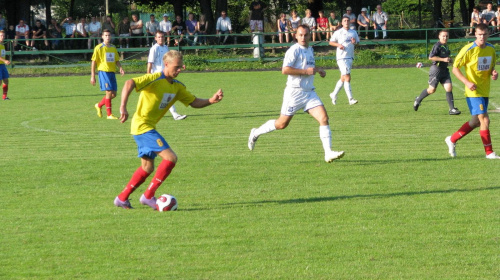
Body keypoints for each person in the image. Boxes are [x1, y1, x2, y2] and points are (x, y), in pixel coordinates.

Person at [114, 50, 224, 209]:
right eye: (177, 67)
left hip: (146, 127)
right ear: (166, 64)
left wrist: (211, 100)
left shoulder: (178, 87)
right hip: (142, 126)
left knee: (147, 167)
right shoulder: (155, 78)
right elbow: (129, 83)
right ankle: (148, 196)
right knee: (170, 158)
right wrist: (123, 107)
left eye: (181, 67)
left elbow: (193, 102)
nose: (180, 70)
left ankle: (122, 198)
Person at [247, 25, 345, 163]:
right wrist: (306, 72)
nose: (303, 38)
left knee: (324, 118)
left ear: (310, 35)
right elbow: (285, 70)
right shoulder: (293, 50)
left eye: (306, 35)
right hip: (294, 93)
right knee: (281, 124)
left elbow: (307, 67)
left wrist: (318, 70)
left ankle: (328, 153)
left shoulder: (310, 49)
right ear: (296, 36)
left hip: (309, 93)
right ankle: (255, 133)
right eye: (300, 35)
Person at [445, 23, 500, 159]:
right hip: (473, 92)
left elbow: (491, 67)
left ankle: (452, 139)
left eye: (484, 34)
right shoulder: (468, 49)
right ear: (475, 34)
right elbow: (455, 68)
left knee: (476, 122)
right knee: (485, 120)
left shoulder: (491, 49)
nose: (482, 37)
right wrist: (467, 82)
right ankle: (489, 152)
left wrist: (494, 73)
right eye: (479, 34)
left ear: (488, 34)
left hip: (484, 90)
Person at [413, 30, 461, 115]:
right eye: (443, 36)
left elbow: (446, 58)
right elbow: (431, 57)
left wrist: (450, 60)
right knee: (432, 90)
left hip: (444, 70)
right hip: (436, 70)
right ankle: (418, 99)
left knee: (449, 88)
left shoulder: (446, 46)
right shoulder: (437, 46)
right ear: (439, 36)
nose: (445, 38)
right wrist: (443, 59)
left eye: (447, 36)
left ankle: (452, 109)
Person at [147, 31, 187, 121]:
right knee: (165, 94)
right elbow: (150, 63)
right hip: (157, 75)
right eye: (159, 37)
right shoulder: (154, 48)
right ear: (155, 38)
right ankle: (174, 114)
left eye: (162, 37)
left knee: (163, 95)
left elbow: (171, 60)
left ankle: (172, 114)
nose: (161, 39)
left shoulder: (165, 47)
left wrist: (179, 65)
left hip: (165, 75)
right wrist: (148, 76)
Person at [91, 29, 125, 120]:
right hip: (103, 72)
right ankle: (109, 114)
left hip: (112, 72)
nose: (107, 37)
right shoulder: (99, 48)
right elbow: (93, 62)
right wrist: (93, 76)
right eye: (105, 35)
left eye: (109, 35)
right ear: (102, 37)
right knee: (109, 92)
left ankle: (99, 105)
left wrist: (120, 68)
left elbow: (116, 60)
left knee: (113, 94)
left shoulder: (113, 47)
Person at [328, 16, 359, 105]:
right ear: (342, 22)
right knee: (347, 77)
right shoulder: (338, 32)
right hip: (341, 57)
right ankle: (350, 99)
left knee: (343, 78)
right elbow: (331, 42)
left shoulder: (353, 32)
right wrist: (338, 45)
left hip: (350, 57)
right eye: (344, 21)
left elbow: (357, 43)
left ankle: (333, 94)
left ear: (350, 22)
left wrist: (354, 42)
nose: (346, 22)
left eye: (348, 20)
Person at [0, 30, 11, 100]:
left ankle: (4, 96)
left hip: (2, 65)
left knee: (6, 80)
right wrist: (5, 60)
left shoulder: (3, 45)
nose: (2, 37)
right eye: (1, 36)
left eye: (3, 36)